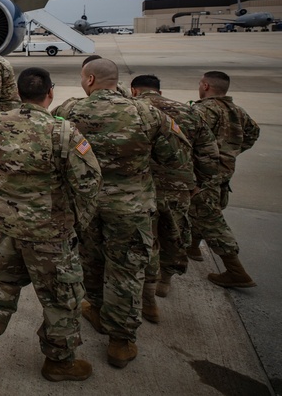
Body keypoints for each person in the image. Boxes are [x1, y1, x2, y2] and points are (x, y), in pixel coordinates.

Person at [53, 58, 190, 369]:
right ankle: (120, 341)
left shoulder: (69, 110)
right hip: (131, 207)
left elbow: (53, 151)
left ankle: (97, 308)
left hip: (87, 205)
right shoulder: (146, 113)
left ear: (90, 79)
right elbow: (176, 157)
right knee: (126, 271)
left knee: (90, 259)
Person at [0, 67, 101, 382]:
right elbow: (88, 182)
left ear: (18, 93)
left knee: (2, 282)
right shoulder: (63, 131)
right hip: (49, 232)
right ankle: (59, 362)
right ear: (50, 93)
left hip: (6, 226)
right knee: (62, 297)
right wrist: (79, 221)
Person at [129, 75, 219, 315]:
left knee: (145, 238)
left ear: (134, 90)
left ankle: (147, 293)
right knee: (174, 234)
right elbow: (209, 153)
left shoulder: (132, 111)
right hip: (177, 188)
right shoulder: (189, 112)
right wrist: (198, 183)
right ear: (159, 91)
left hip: (140, 188)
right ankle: (165, 280)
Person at [188, 70, 261, 288]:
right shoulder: (237, 111)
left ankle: (236, 272)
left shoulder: (201, 110)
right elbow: (253, 133)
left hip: (204, 174)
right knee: (202, 210)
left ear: (205, 86)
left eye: (200, 84)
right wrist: (230, 152)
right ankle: (192, 247)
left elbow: (187, 140)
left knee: (211, 220)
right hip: (224, 172)